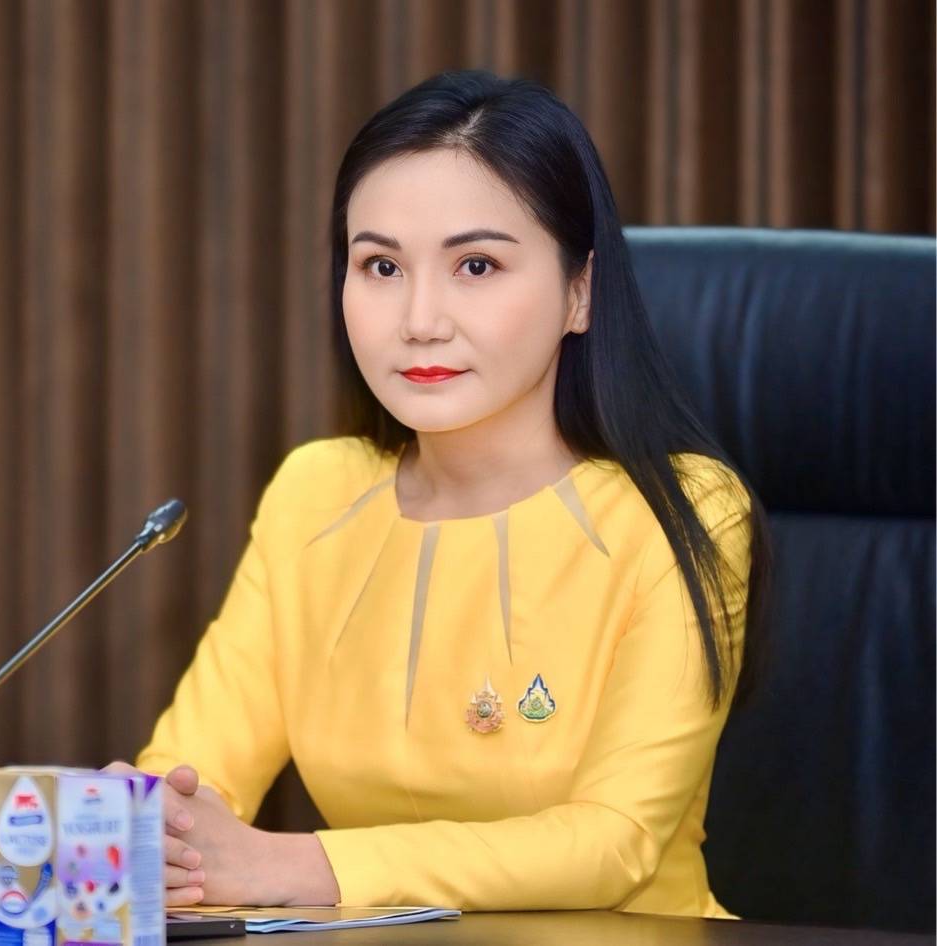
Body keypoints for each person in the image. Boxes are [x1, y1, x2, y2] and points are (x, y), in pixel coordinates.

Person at [105, 69, 769, 919]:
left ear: (580, 291)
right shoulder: (317, 491)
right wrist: (145, 827)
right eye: (380, 265)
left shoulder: (682, 511)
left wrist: (294, 865)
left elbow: (615, 843)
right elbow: (192, 777)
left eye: (476, 265)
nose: (419, 320)